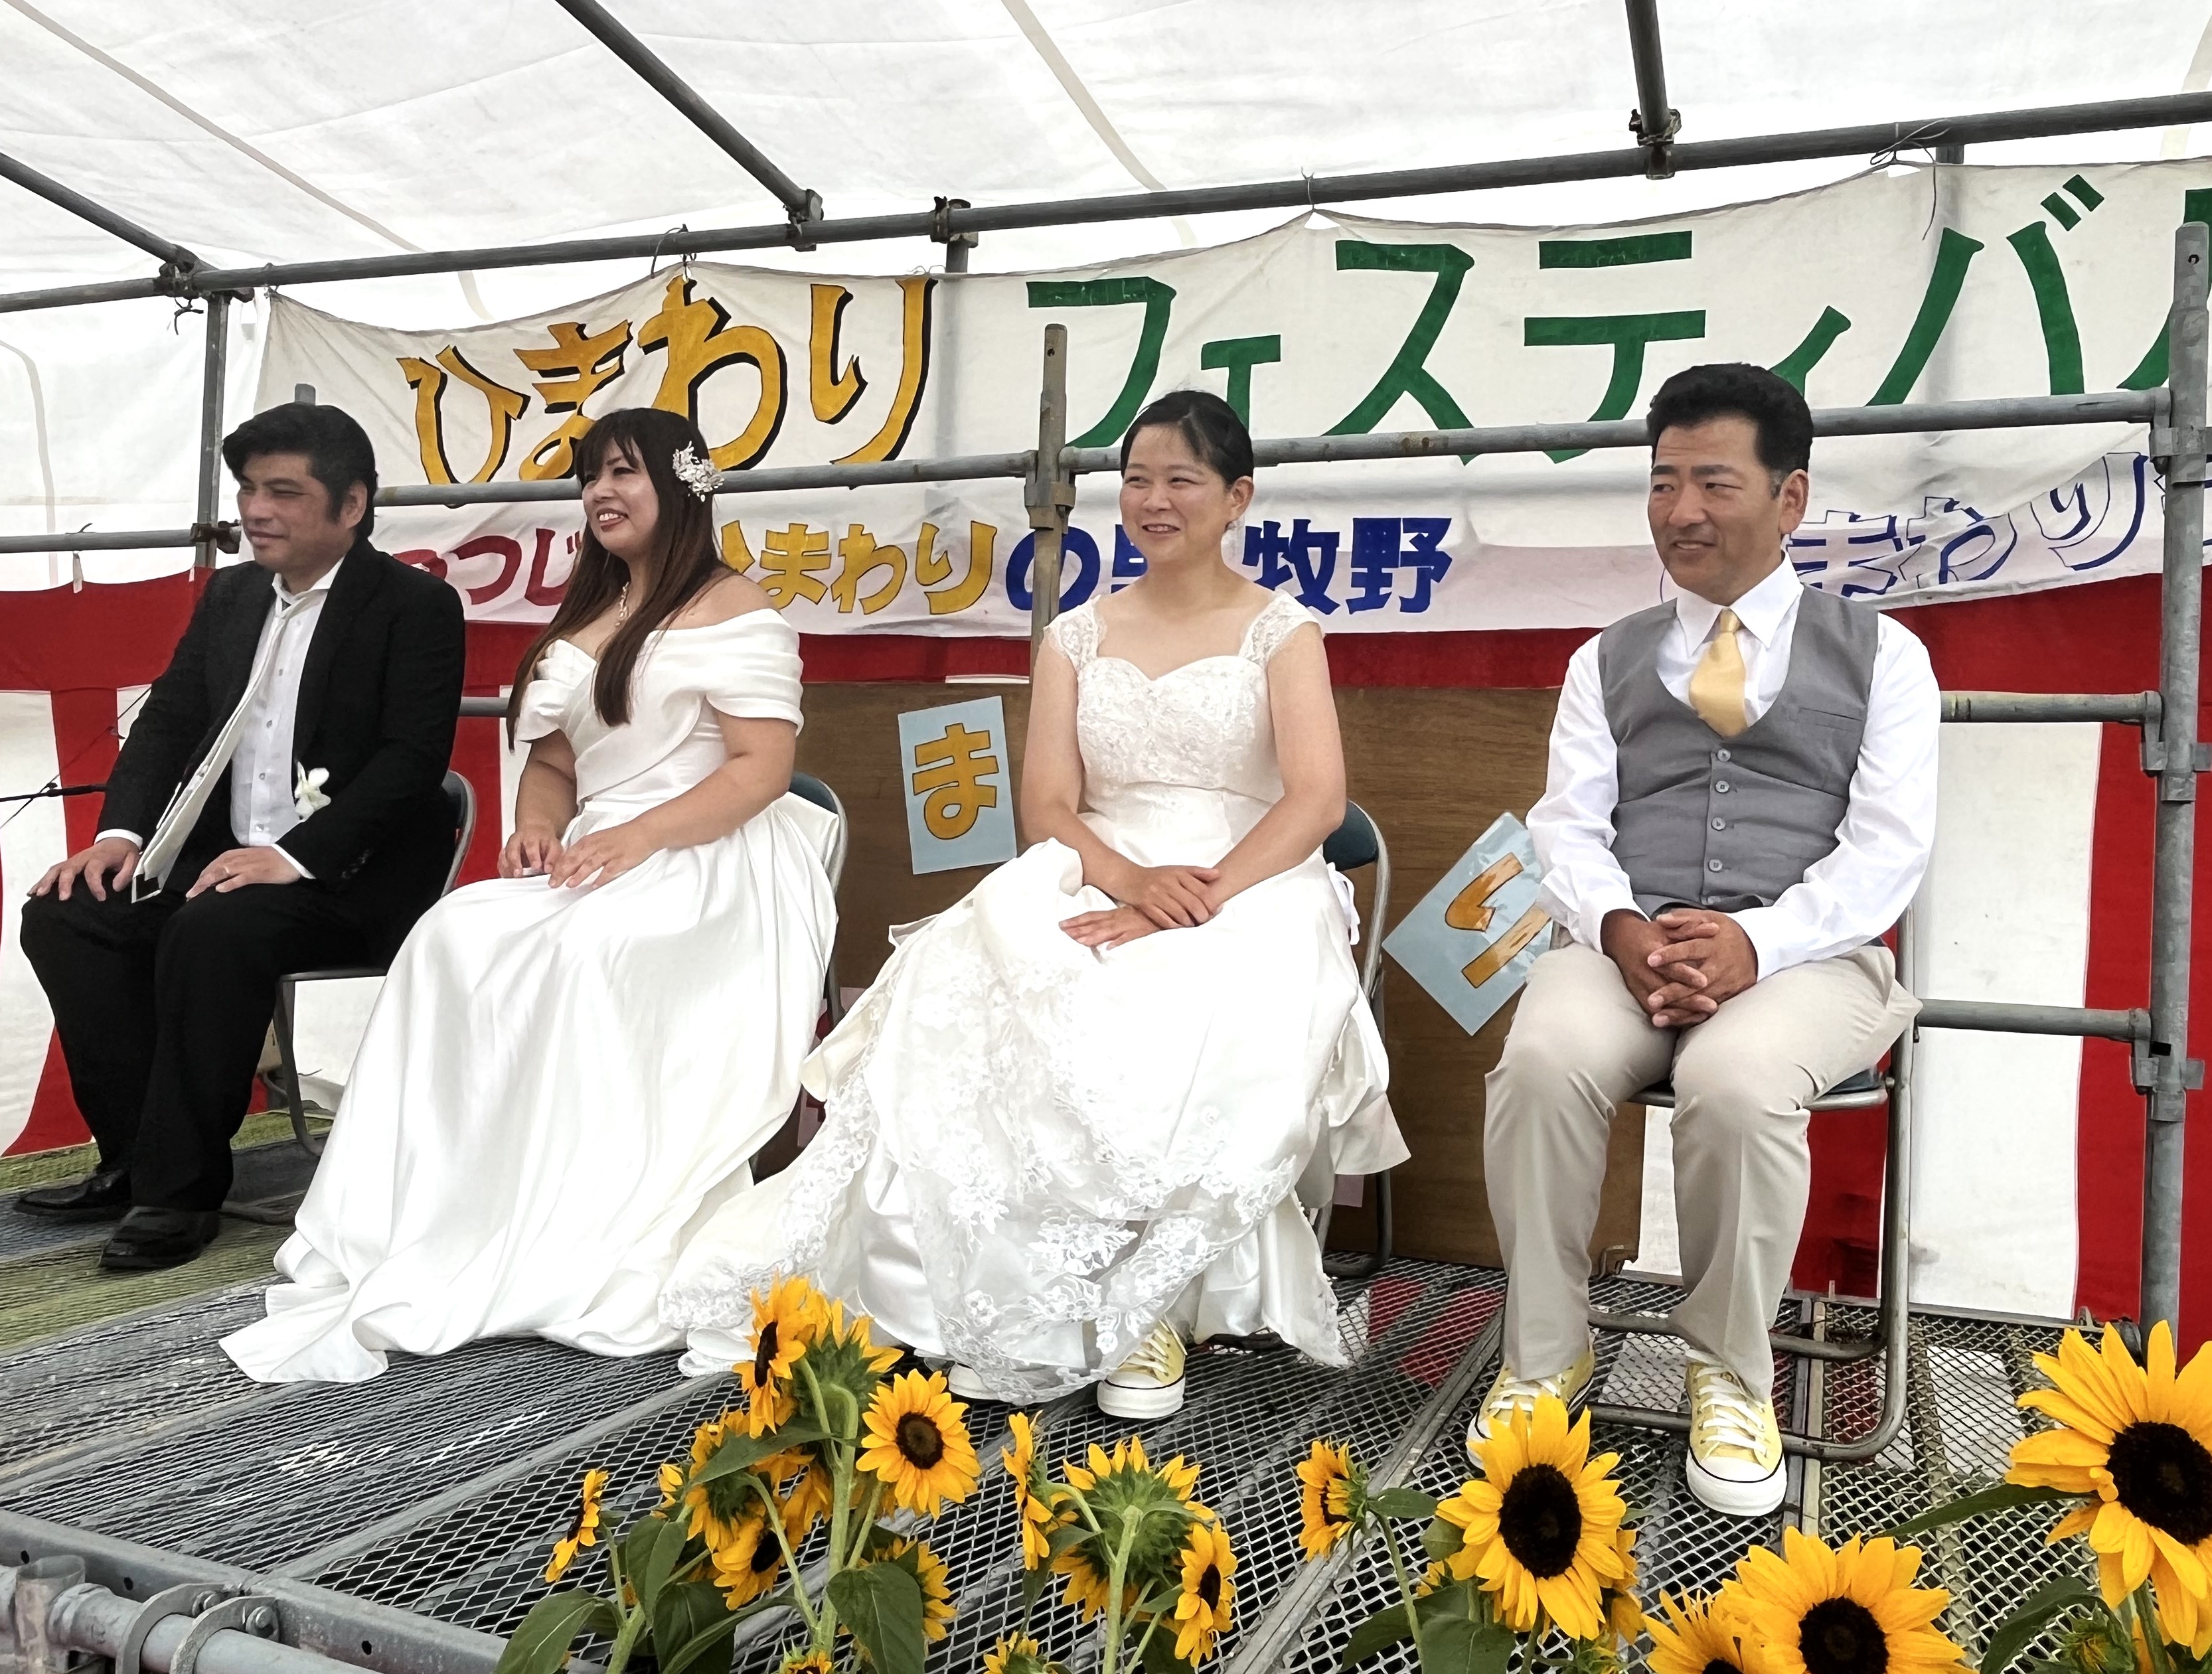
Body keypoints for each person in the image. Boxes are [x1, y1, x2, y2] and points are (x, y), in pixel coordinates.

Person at [661, 390, 1405, 1417]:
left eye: (1182, 480)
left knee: (1181, 997)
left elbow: (1316, 800)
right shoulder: (1076, 634)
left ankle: (1147, 1309)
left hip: (1250, 878)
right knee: (973, 969)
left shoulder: (1282, 631)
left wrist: (1192, 898)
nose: (1154, 500)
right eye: (1137, 480)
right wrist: (1127, 882)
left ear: (1237, 498)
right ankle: (994, 1295)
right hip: (1097, 861)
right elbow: (1048, 803)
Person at [221, 407, 838, 1383]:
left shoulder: (736, 608)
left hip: (712, 859)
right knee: (453, 936)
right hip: (597, 853)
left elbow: (760, 770)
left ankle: (583, 1219)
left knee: (588, 954)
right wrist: (537, 824)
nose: (601, 493)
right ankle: (454, 1212)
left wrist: (640, 835)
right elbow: (550, 766)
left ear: (683, 485)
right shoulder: (587, 618)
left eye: (624, 473)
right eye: (590, 477)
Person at [1478, 363, 1938, 1517]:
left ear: (1791, 498)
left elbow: (1888, 851)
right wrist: (1622, 927)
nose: (1681, 511)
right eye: (1663, 482)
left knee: (1735, 1081)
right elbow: (1567, 826)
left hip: (1813, 957)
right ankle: (1544, 1355)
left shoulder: (1887, 657)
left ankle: (1730, 1370)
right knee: (1540, 1059)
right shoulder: (1603, 659)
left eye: (1714, 483)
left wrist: (1756, 944)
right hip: (1628, 945)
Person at [18, 403, 465, 1272]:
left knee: (213, 930)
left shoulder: (414, 606)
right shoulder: (231, 595)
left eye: (284, 492)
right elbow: (168, 721)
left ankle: (178, 1195)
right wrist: (121, 833)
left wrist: (294, 857)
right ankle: (135, 1157)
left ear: (351, 505)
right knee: (68, 915)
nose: (256, 510)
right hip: (220, 863)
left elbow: (411, 762)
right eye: (249, 490)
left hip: (347, 879)